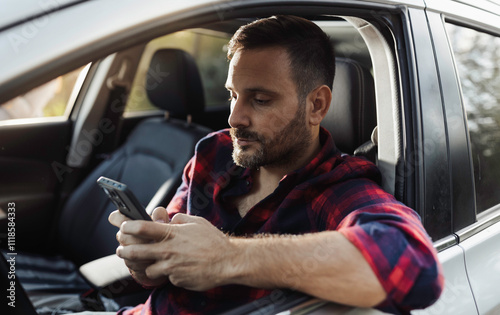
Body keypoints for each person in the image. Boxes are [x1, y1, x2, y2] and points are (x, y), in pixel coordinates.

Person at [108, 15, 443, 315]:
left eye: (261, 100)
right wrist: (146, 261)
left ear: (316, 105)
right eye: (232, 95)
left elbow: (415, 268)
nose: (234, 117)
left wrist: (227, 256)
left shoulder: (338, 191)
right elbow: (168, 261)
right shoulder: (215, 152)